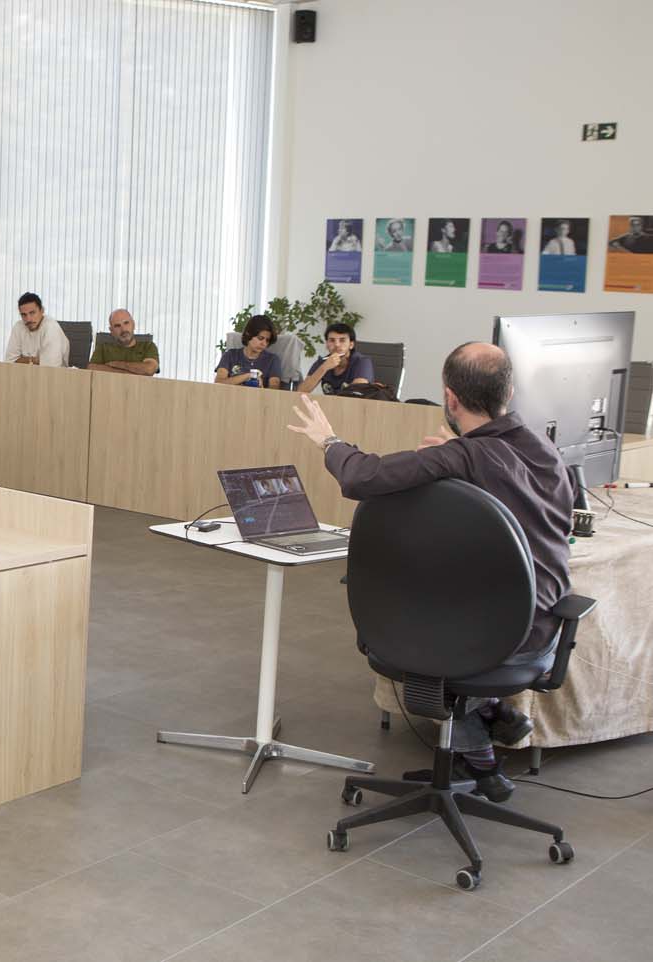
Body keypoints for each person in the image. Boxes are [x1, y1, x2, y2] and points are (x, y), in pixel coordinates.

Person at [287, 342, 573, 801]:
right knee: (457, 607)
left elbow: (363, 477)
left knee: (429, 615)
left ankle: (479, 754)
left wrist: (329, 440)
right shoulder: (543, 449)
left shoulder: (463, 457)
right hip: (542, 631)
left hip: (492, 636)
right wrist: (458, 453)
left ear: (450, 398)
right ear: (510, 392)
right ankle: (494, 710)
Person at [297, 322, 374, 395]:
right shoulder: (322, 362)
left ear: (351, 345)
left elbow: (357, 392)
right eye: (332, 340)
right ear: (327, 344)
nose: (337, 345)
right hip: (329, 406)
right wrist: (324, 368)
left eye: (342, 340)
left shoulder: (362, 361)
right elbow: (300, 391)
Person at [214, 315, 281, 389]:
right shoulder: (230, 355)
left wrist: (262, 388)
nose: (264, 343)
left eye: (267, 340)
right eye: (260, 338)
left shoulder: (273, 360)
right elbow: (218, 383)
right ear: (248, 334)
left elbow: (274, 390)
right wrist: (248, 376)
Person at [5, 292, 70, 367]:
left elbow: (49, 367)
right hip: (25, 375)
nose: (28, 319)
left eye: (32, 313)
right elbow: (9, 362)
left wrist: (22, 359)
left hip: (55, 377)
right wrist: (34, 360)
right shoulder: (18, 326)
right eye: (24, 315)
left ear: (42, 310)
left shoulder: (51, 328)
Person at [88, 309, 158, 376]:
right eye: (117, 326)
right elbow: (92, 368)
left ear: (133, 324)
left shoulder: (148, 346)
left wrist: (117, 364)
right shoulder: (103, 348)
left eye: (126, 323)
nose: (123, 329)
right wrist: (135, 373)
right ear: (111, 330)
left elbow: (149, 369)